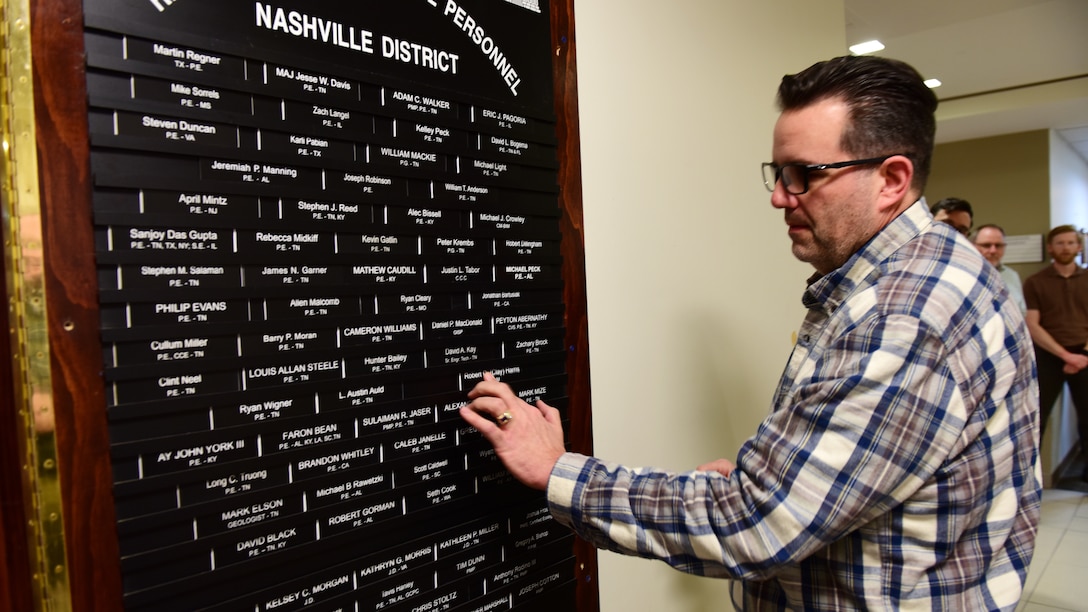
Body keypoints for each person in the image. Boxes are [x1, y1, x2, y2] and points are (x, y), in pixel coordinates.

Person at [461, 55, 1041, 610]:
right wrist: (787, 482)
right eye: (779, 172)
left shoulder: (906, 317)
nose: (779, 196)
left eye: (804, 175)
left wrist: (559, 470)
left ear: (891, 179)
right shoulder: (934, 270)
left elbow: (754, 525)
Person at [1023, 225, 1088, 469]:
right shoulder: (1035, 282)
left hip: (1084, 355)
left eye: (1071, 243)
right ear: (1051, 248)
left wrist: (1081, 356)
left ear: (1078, 247)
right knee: (1037, 418)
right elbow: (1032, 324)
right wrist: (1065, 356)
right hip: (1048, 356)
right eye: (1060, 243)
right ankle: (1031, 476)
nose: (1065, 248)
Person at [974, 223, 1027, 313]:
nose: (993, 251)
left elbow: (1022, 312)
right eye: (986, 245)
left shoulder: (1011, 275)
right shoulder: (962, 274)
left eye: (998, 246)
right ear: (973, 246)